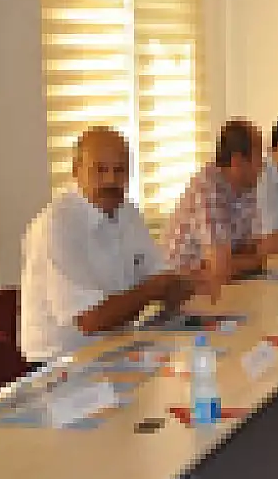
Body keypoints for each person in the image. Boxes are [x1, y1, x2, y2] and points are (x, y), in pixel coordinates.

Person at [21, 127, 189, 362]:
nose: (111, 180)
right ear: (76, 170)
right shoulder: (57, 225)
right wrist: (155, 288)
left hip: (117, 348)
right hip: (61, 365)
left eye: (119, 170)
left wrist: (191, 281)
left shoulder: (127, 212)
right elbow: (89, 321)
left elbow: (161, 278)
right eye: (100, 169)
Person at [164, 119, 278, 296]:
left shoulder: (247, 187)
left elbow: (253, 249)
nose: (263, 166)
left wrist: (239, 261)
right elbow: (221, 270)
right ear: (238, 161)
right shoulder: (207, 190)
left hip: (222, 288)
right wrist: (246, 261)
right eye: (259, 157)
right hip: (184, 296)